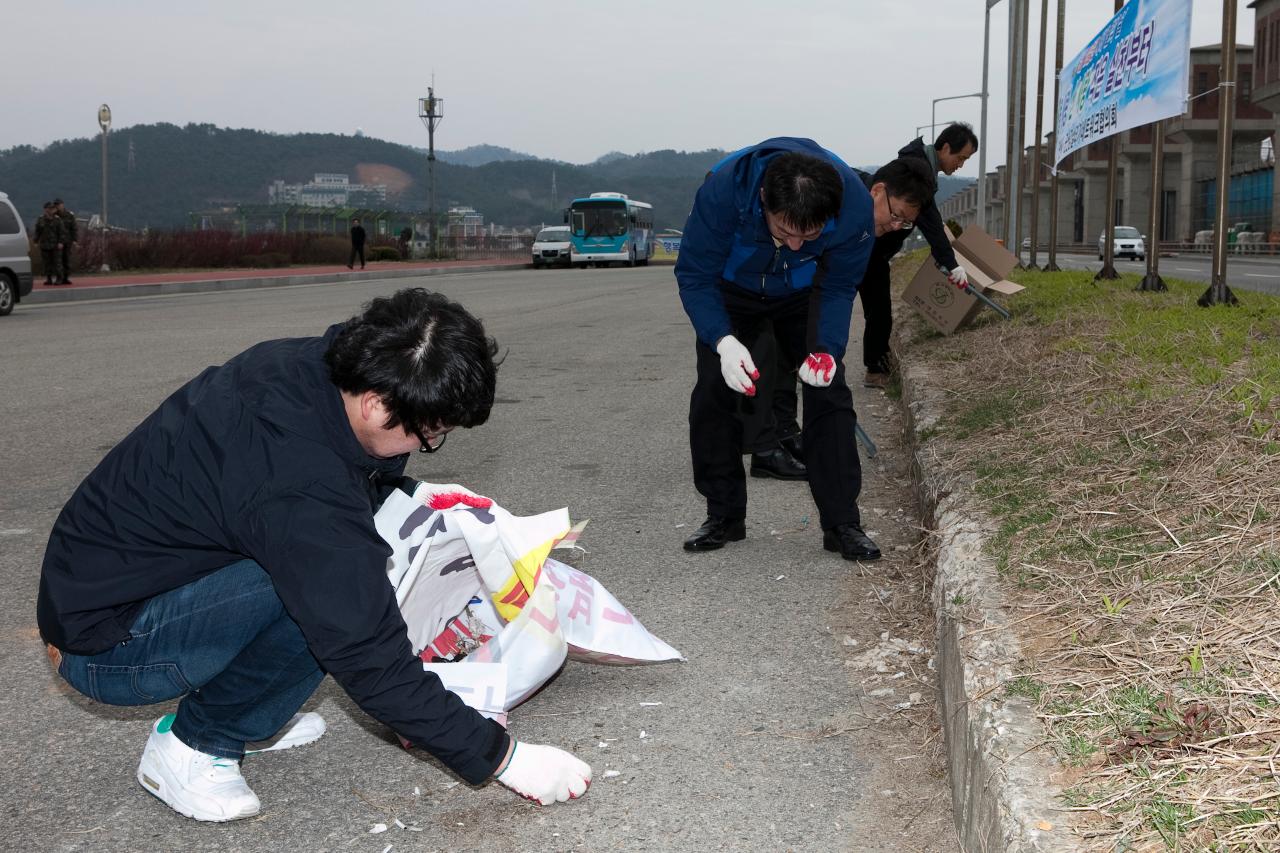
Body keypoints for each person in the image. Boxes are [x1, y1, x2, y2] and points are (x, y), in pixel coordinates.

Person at [38, 288, 592, 822]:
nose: (427, 448)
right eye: (430, 435)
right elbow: (367, 655)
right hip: (109, 645)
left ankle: (249, 705)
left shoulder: (315, 365)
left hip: (112, 584)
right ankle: (196, 743)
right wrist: (505, 759)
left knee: (347, 567)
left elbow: (344, 486)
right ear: (377, 404)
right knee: (336, 598)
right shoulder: (300, 489)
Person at [675, 138, 934, 561]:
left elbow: (836, 285)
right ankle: (723, 515)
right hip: (732, 289)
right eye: (783, 232)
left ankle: (842, 523)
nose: (796, 245)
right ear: (763, 201)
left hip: (801, 291)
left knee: (828, 391)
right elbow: (694, 275)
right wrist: (722, 341)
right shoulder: (723, 193)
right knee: (714, 392)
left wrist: (828, 350)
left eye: (809, 235)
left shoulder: (852, 211)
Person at [861, 123, 978, 388]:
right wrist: (951, 264)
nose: (960, 165)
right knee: (877, 311)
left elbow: (933, 222)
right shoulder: (918, 173)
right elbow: (931, 223)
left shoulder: (918, 164)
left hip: (872, 251)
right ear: (945, 147)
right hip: (868, 250)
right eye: (960, 158)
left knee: (876, 309)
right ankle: (874, 368)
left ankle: (874, 362)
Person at [34, 202, 65, 286]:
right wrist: (35, 241)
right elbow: (37, 231)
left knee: (57, 263)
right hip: (45, 245)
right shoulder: (41, 219)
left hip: (55, 245)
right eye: (49, 208)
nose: (51, 210)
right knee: (46, 263)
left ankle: (59, 278)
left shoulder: (57, 220)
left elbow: (62, 232)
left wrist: (61, 242)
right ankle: (49, 279)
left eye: (52, 208)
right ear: (45, 209)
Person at [54, 198, 78, 284]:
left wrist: (75, 240)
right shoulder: (54, 216)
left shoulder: (69, 215)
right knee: (58, 261)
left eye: (59, 204)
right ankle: (59, 278)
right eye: (56, 205)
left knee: (66, 260)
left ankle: (66, 278)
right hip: (57, 242)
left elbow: (74, 228)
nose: (57, 206)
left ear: (62, 204)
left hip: (67, 241)